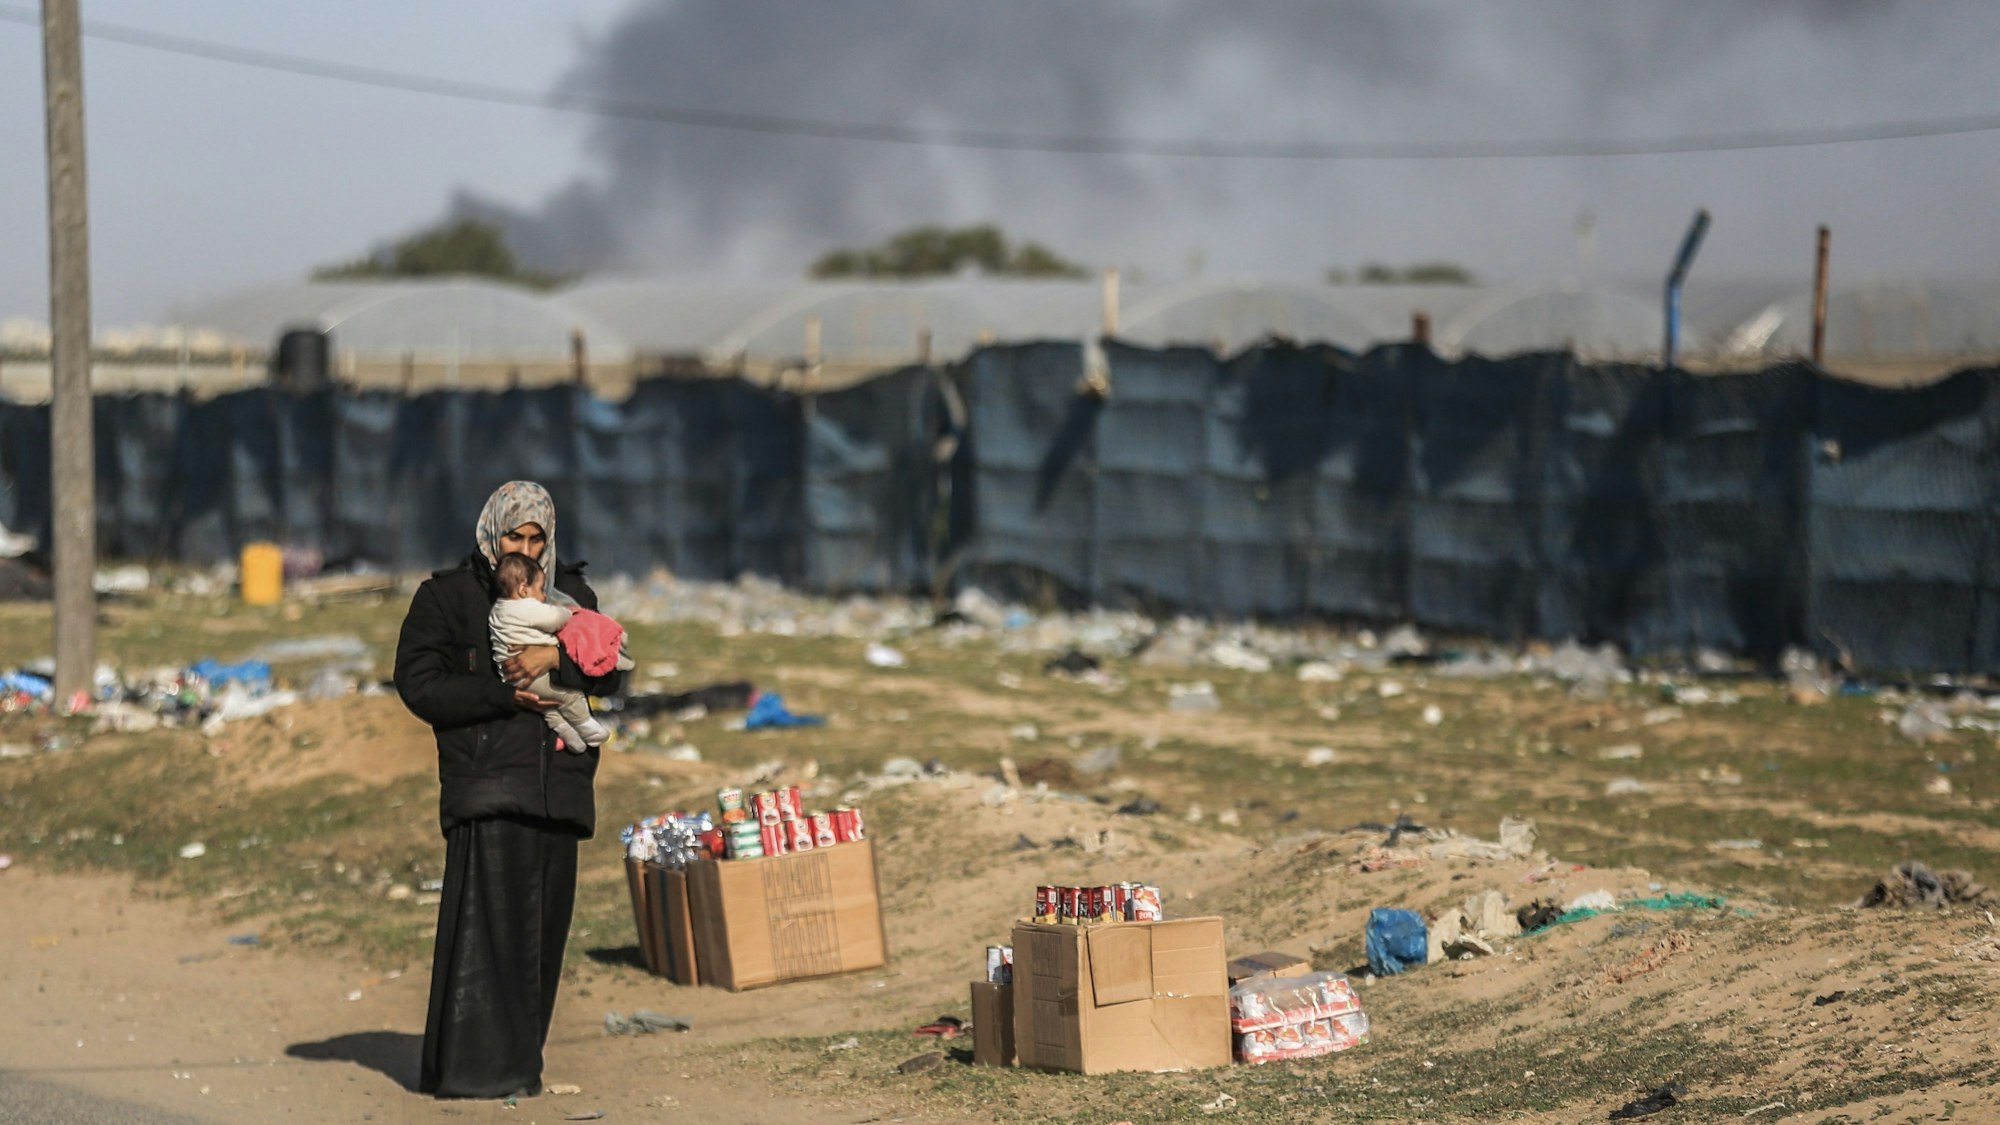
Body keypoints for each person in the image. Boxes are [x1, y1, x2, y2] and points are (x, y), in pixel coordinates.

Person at [393, 480, 624, 1099]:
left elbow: (614, 672)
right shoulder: (447, 597)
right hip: (490, 785)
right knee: (485, 936)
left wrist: (556, 663)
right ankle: (471, 1073)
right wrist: (500, 695)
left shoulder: (572, 596)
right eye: (512, 537)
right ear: (491, 536)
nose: (522, 549)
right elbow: (418, 683)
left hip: (559, 789)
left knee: (541, 940)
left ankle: (521, 1067)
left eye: (534, 538)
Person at [487, 551, 612, 754]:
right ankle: (588, 729)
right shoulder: (525, 607)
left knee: (550, 710)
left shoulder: (497, 610)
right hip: (538, 675)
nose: (544, 595)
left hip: (512, 679)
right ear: (523, 589)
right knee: (569, 696)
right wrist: (566, 612)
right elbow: (554, 618)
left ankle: (570, 737)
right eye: (540, 589)